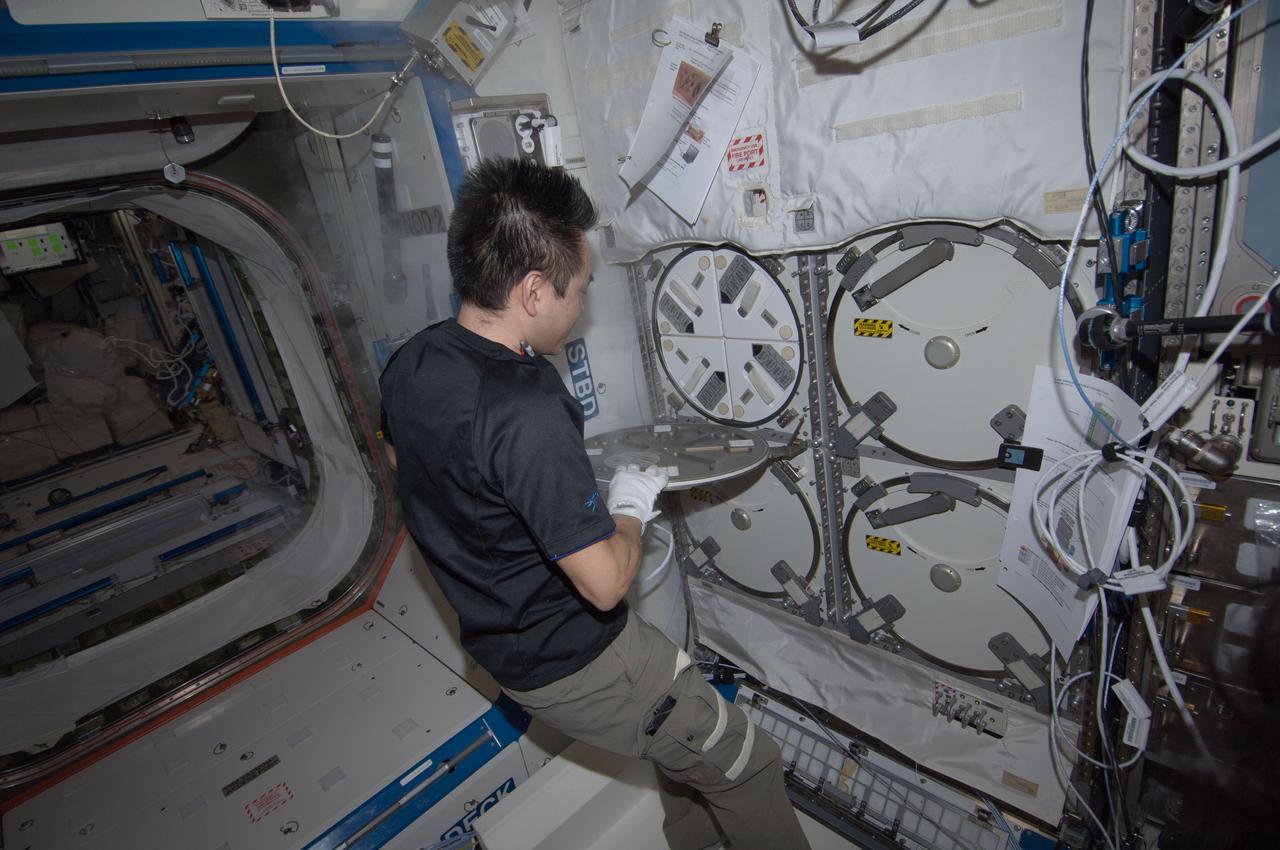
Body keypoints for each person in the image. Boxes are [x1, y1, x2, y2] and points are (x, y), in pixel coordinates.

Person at [378, 157, 809, 850]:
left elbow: (404, 461)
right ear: (532, 291)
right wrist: (631, 508)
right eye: (577, 290)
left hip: (505, 648)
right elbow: (607, 585)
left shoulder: (414, 362)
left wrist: (508, 518)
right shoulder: (528, 405)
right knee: (747, 763)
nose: (581, 308)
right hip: (583, 660)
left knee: (685, 748)